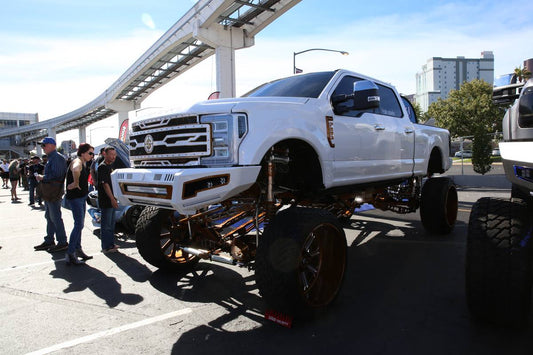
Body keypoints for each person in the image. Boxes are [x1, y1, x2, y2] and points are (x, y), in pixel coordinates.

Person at [33, 137, 69, 253]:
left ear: (52, 145)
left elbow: (57, 175)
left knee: (55, 217)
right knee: (50, 216)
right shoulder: (53, 157)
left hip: (53, 192)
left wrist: (42, 177)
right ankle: (50, 240)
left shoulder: (57, 158)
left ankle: (62, 241)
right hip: (50, 191)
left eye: (44, 145)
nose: (42, 148)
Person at [64, 143, 95, 265]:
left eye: (92, 153)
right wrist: (76, 182)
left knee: (80, 225)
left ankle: (77, 249)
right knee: (79, 225)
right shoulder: (78, 161)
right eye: (90, 153)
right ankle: (71, 253)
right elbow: (76, 169)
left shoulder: (83, 162)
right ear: (83, 153)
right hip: (76, 198)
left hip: (80, 197)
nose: (92, 155)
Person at [97, 146, 119, 253]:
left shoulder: (111, 166)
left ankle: (111, 244)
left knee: (111, 224)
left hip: (112, 199)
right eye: (111, 154)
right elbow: (105, 185)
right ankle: (106, 246)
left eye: (115, 154)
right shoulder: (103, 167)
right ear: (105, 154)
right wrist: (112, 199)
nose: (114, 156)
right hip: (106, 200)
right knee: (106, 225)